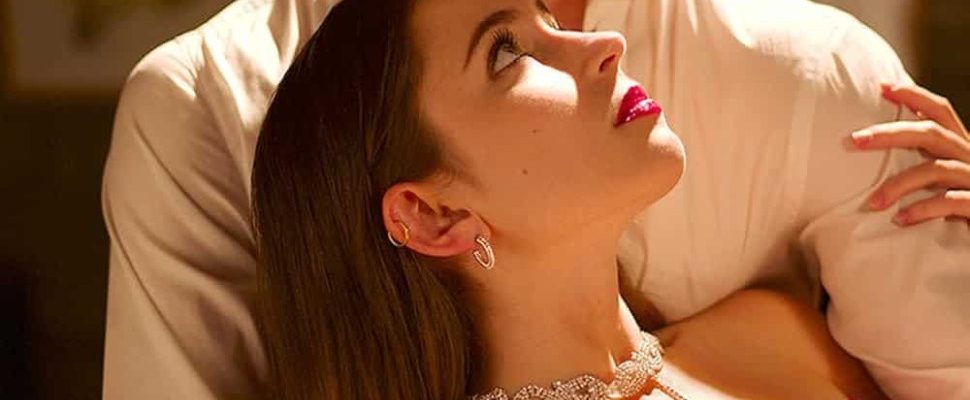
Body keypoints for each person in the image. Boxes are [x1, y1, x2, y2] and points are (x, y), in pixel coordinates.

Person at [100, 0, 970, 398]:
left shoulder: (770, 335)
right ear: (431, 214)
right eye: (508, 53)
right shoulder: (198, 103)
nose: (604, 43)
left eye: (549, 21)